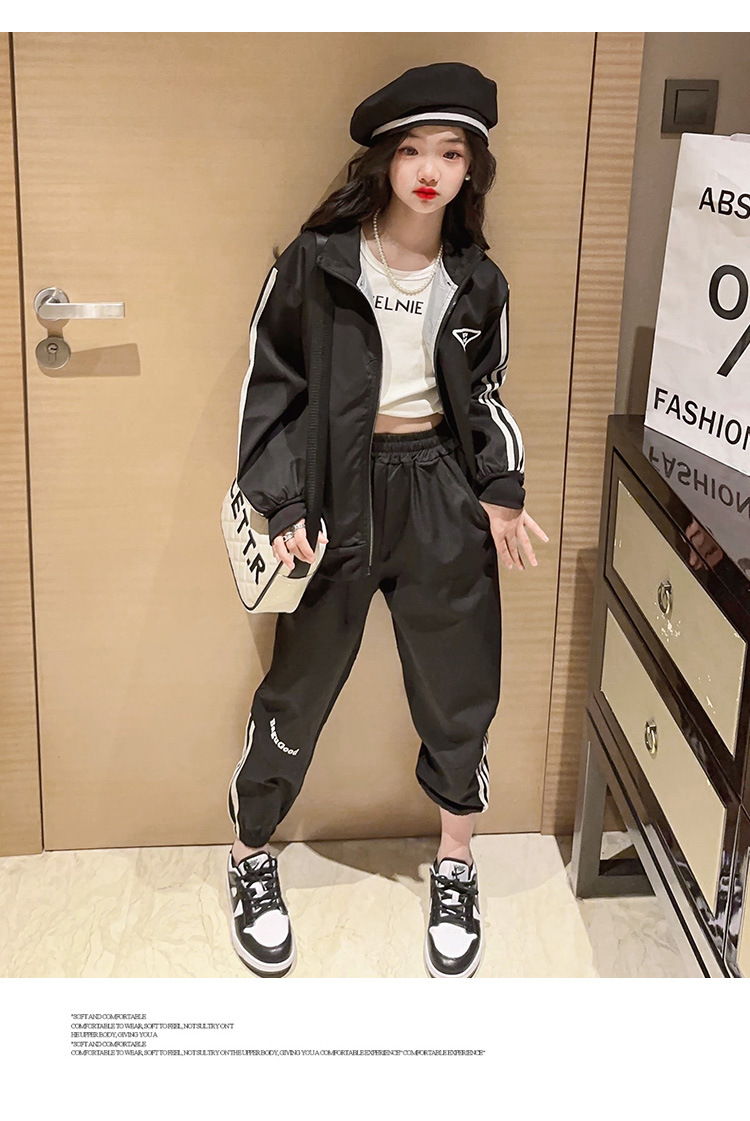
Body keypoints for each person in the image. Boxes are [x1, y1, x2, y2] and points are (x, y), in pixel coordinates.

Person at [225, 61, 549, 979]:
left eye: (451, 153)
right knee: (300, 683)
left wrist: (502, 488)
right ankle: (249, 852)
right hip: (337, 492)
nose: (430, 170)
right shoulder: (319, 261)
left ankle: (456, 860)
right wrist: (284, 498)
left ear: (472, 168)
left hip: (441, 489)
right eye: (412, 149)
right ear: (384, 159)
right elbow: (271, 388)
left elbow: (486, 395)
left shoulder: (478, 280)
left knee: (459, 683)